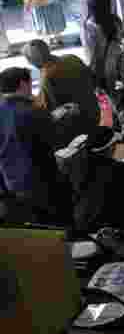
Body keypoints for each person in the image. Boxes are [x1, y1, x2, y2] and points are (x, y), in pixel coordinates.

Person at [0, 67, 72, 225]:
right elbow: (55, 142)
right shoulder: (34, 110)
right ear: (22, 84)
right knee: (59, 225)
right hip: (43, 183)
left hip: (12, 185)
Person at [22, 39, 100, 128]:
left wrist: (29, 99)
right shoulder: (72, 58)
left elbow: (50, 109)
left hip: (77, 123)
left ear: (32, 61)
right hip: (94, 111)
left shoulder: (47, 76)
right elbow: (92, 80)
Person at [82, 0, 123, 90]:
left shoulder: (89, 24)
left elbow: (93, 50)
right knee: (115, 87)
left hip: (100, 63)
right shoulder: (116, 20)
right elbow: (120, 39)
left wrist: (91, 66)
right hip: (116, 59)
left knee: (103, 90)